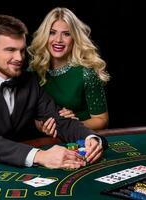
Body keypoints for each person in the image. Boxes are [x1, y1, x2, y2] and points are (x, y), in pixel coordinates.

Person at [0, 14, 108, 169]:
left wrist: (90, 138)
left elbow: (60, 120)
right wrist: (40, 156)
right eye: (10, 50)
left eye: (22, 50)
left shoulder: (29, 81)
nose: (19, 58)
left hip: (13, 169)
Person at [27, 7, 110, 137]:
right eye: (52, 32)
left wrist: (71, 123)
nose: (58, 40)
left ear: (75, 38)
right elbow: (34, 116)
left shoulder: (87, 73)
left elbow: (102, 120)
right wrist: (42, 126)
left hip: (82, 138)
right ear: (44, 35)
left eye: (66, 34)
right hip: (48, 143)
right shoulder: (34, 71)